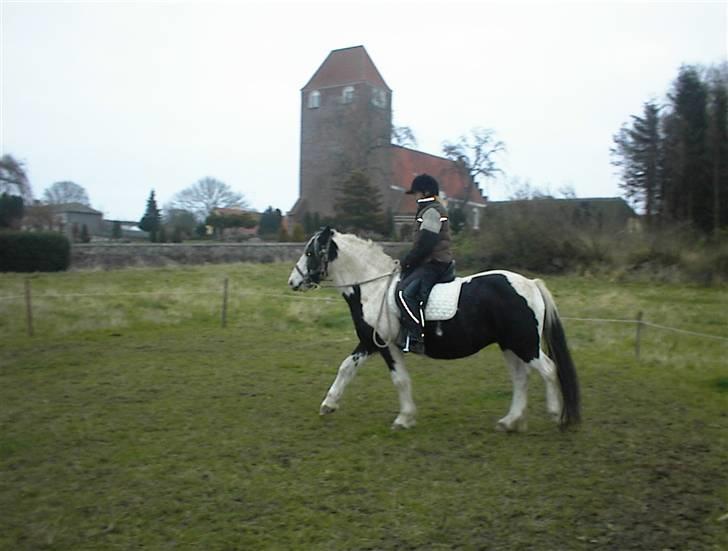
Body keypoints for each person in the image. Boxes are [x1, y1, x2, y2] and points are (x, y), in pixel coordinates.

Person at [396, 174, 454, 354]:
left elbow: (426, 244)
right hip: (431, 262)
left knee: (405, 295)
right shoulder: (427, 209)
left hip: (435, 263)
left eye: (417, 193)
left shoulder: (432, 211)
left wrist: (407, 262)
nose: (415, 197)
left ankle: (416, 338)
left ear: (426, 192)